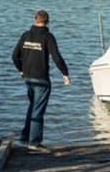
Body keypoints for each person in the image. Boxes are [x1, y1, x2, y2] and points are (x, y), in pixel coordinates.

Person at [12, 10, 70, 153]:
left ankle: (25, 137)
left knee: (32, 107)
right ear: (48, 21)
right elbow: (56, 57)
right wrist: (65, 73)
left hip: (28, 78)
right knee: (38, 110)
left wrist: (20, 70)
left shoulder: (26, 35)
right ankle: (34, 143)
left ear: (34, 20)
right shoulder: (47, 37)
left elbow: (14, 55)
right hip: (41, 79)